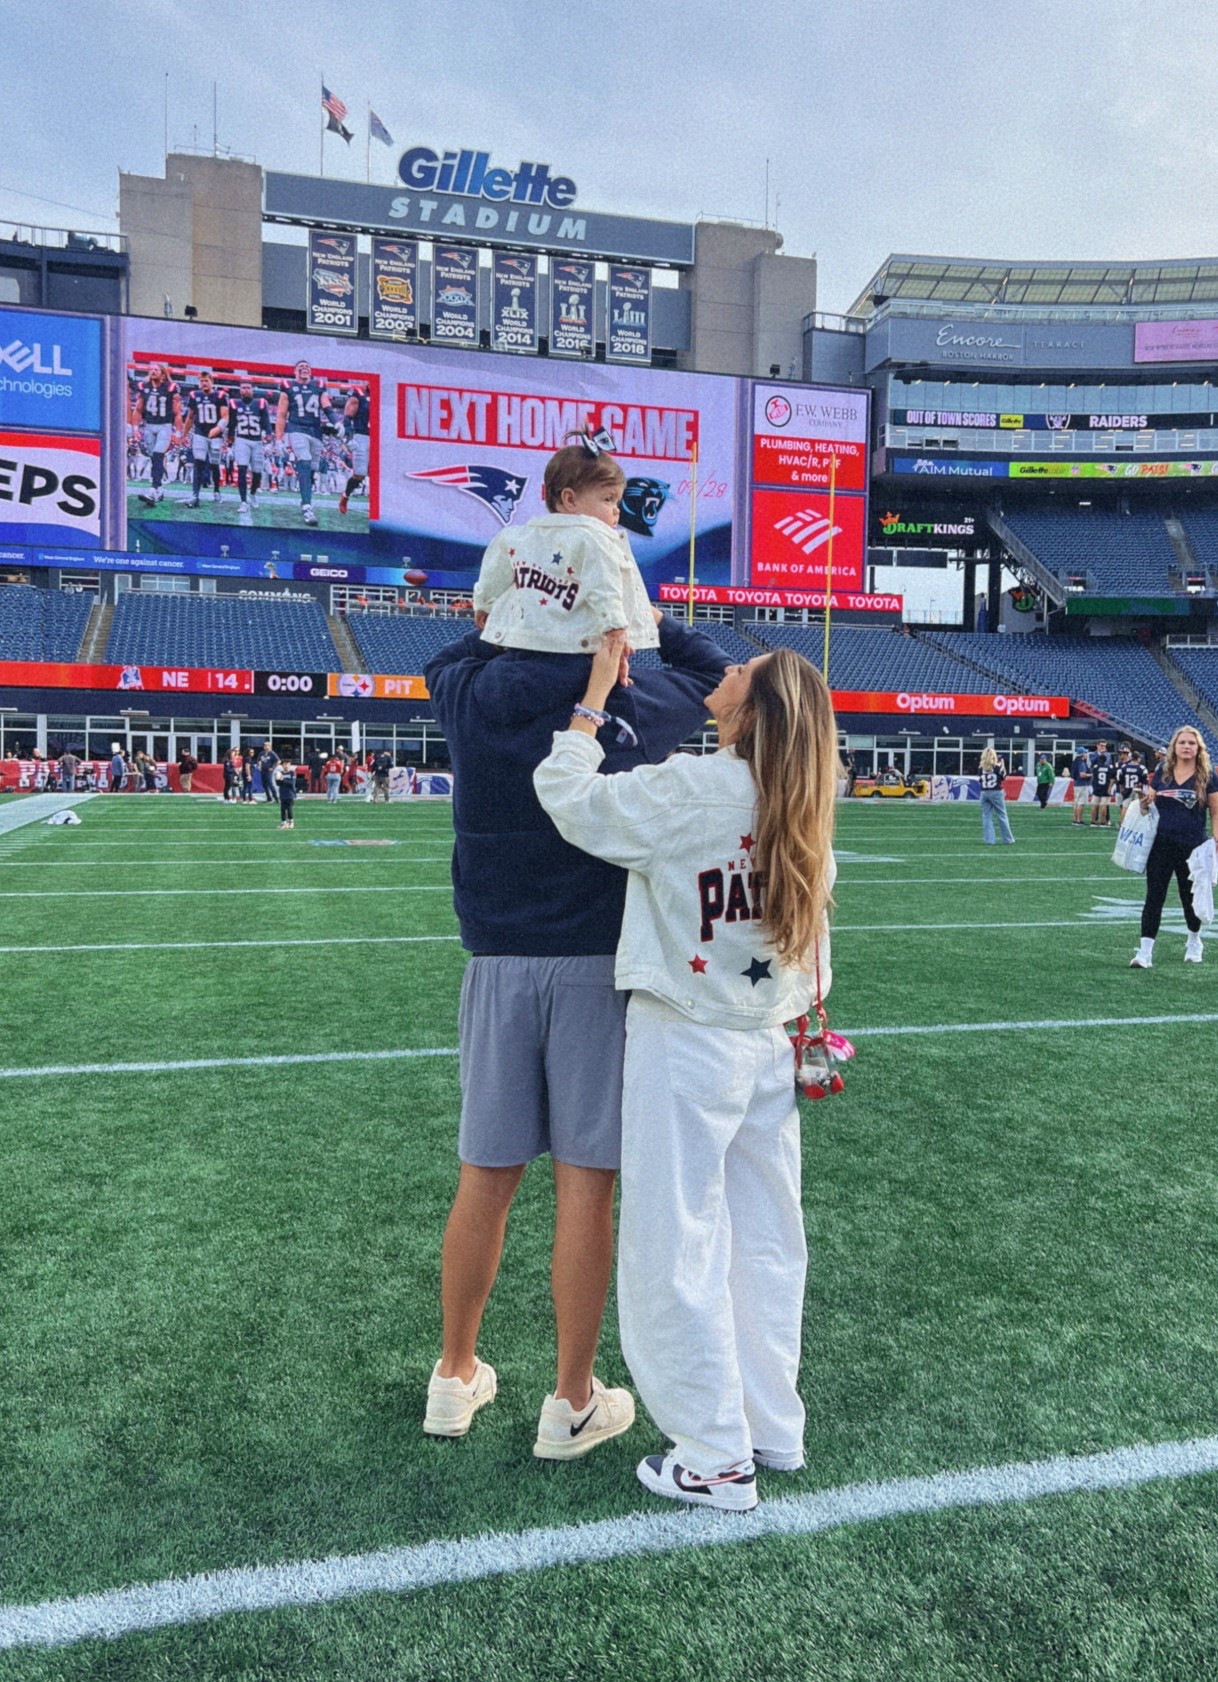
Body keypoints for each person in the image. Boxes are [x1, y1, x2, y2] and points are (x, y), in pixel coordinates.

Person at [534, 640, 838, 1512]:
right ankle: (768, 1423)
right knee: (767, 1239)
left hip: (688, 1034)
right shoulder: (808, 797)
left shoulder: (692, 786)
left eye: (745, 668)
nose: (726, 670)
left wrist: (590, 708)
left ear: (753, 707)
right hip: (769, 1042)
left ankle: (712, 1452)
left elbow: (569, 800)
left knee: (677, 1242)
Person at [421, 605, 728, 1461]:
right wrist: (640, 617)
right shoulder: (643, 695)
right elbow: (714, 670)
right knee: (586, 1188)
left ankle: (453, 1374)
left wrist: (517, 608)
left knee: (484, 1177)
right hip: (597, 963)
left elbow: (453, 650)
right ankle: (572, 1399)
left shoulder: (473, 691)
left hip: (496, 961)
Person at [473, 434, 658, 657]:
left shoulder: (513, 537)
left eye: (617, 502)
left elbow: (492, 578)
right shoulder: (594, 539)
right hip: (575, 651)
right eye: (608, 499)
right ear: (570, 500)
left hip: (520, 648)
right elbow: (604, 588)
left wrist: (483, 605)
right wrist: (616, 629)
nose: (616, 510)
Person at [1130, 725, 1218, 968]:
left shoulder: (1208, 774)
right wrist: (1144, 803)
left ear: (1198, 748)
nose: (1187, 747)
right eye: (1182, 743)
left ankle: (1194, 941)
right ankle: (1145, 951)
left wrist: (1216, 841)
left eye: (1191, 743)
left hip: (1193, 847)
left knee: (1189, 898)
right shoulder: (1162, 772)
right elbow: (1149, 809)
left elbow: (1216, 811)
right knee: (1154, 897)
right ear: (1174, 747)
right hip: (1161, 844)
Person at [275, 358, 332, 527]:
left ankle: (305, 498)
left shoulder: (319, 385)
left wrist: (336, 422)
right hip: (296, 428)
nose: (304, 368)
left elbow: (327, 406)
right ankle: (307, 506)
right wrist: (279, 439)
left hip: (315, 431)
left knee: (312, 468)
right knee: (304, 462)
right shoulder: (288, 386)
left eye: (307, 366)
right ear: (295, 372)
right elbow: (281, 414)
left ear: (311, 371)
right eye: (300, 366)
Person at [133, 361, 183, 508]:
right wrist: (135, 427)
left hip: (164, 426)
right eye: (151, 369)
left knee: (158, 455)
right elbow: (138, 409)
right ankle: (159, 488)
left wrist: (178, 432)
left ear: (162, 373)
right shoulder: (144, 387)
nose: (153, 371)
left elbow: (177, 412)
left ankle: (153, 490)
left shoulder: (170, 388)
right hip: (149, 425)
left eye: (156, 369)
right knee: (154, 458)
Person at [181, 370, 229, 509]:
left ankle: (216, 490)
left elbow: (225, 416)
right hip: (200, 433)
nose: (204, 383)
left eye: (206, 380)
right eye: (201, 381)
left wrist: (218, 428)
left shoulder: (220, 395)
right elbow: (190, 417)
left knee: (214, 464)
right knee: (198, 462)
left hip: (215, 435)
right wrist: (184, 434)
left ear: (212, 382)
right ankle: (195, 495)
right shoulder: (194, 395)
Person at [228, 378, 273, 521]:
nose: (245, 390)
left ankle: (252, 493)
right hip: (241, 440)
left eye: (248, 387)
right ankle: (243, 501)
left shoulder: (260, 403)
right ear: (240, 390)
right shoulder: (235, 404)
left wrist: (269, 442)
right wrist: (229, 445)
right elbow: (231, 425)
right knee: (241, 469)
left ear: (252, 390)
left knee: (257, 472)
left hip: (257, 441)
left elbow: (266, 423)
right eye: (243, 388)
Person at [338, 382, 371, 516]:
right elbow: (347, 418)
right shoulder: (359, 394)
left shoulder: (387, 395)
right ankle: (345, 496)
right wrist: (349, 437)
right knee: (360, 473)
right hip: (362, 435)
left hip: (381, 437)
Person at [978, 746, 1014, 845]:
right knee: (1002, 815)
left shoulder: (981, 768)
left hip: (984, 792)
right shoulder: (997, 767)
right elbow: (1003, 777)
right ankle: (1008, 839)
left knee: (986, 817)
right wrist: (1002, 765)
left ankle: (989, 840)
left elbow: (980, 780)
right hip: (996, 792)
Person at [1090, 740, 1115, 828]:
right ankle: (1096, 820)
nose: (1103, 747)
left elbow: (1111, 765)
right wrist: (1100, 755)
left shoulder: (1108, 755)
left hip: (1104, 780)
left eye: (1104, 746)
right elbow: (1092, 764)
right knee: (1099, 803)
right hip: (1097, 781)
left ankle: (1105, 819)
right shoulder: (1093, 755)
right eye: (1101, 745)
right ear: (1097, 746)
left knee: (1103, 803)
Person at [1070, 745, 1092, 827]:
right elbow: (1082, 775)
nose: (1086, 754)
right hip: (1081, 784)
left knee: (1076, 802)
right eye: (1085, 753)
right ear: (1082, 754)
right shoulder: (1081, 763)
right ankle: (1079, 820)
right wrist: (1091, 775)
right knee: (1081, 803)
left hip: (1076, 784)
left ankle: (1075, 819)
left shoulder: (1076, 762)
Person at [278, 764, 298, 830]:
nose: (286, 766)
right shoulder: (280, 773)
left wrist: (283, 780)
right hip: (282, 793)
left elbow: (292, 783)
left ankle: (291, 822)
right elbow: (278, 784)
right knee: (283, 809)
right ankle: (283, 823)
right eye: (284, 764)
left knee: (289, 809)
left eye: (287, 764)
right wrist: (278, 780)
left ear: (289, 765)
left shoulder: (292, 773)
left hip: (290, 793)